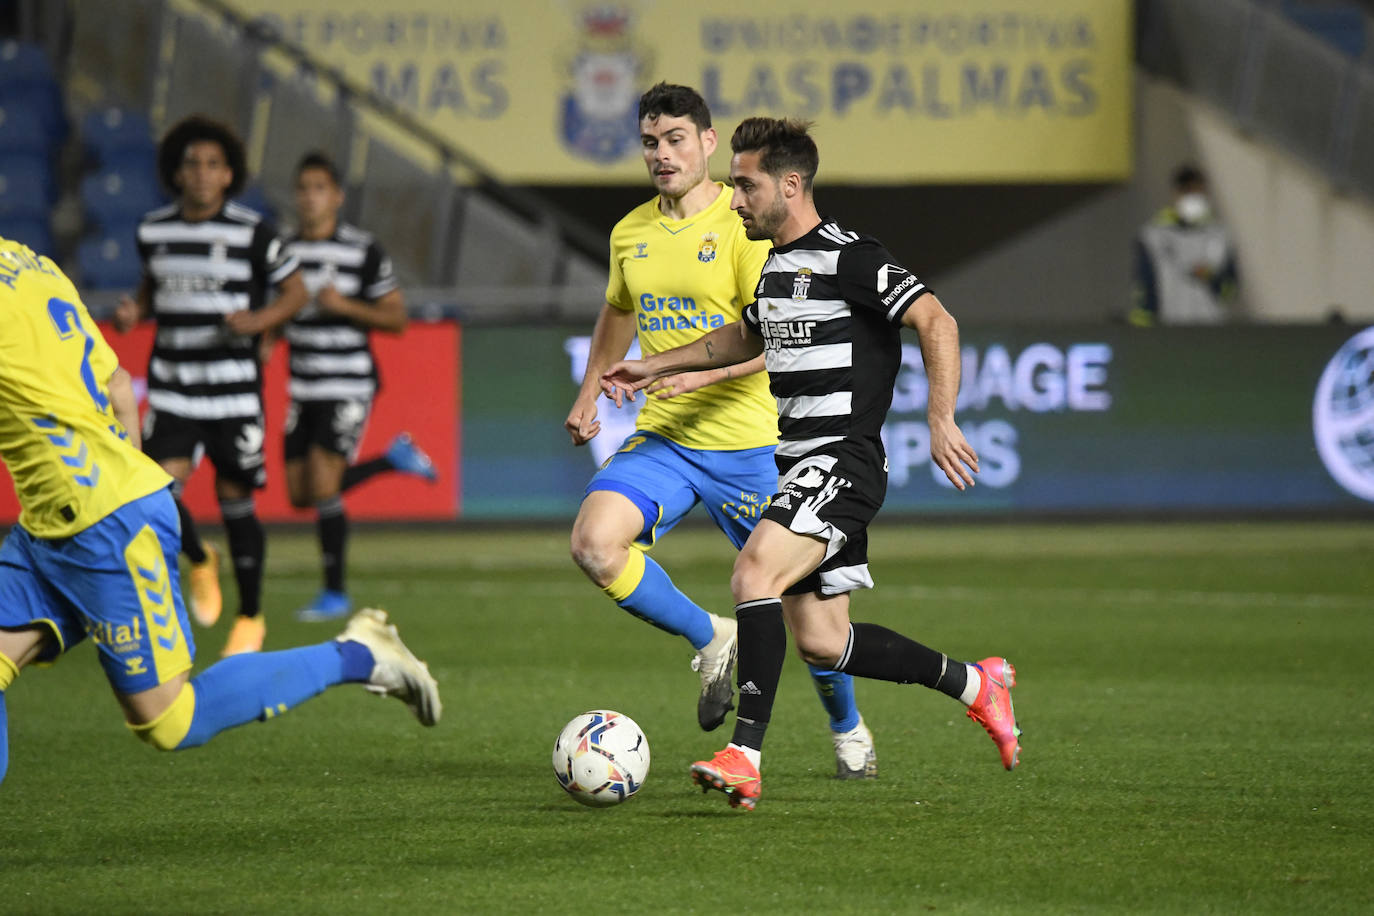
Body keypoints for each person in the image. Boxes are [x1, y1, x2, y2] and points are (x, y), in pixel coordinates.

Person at [602, 117, 1021, 811]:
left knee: (752, 572)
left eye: (746, 184)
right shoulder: (775, 267)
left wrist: (941, 417)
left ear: (790, 185)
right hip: (798, 461)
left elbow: (936, 320)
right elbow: (741, 336)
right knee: (825, 643)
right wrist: (654, 364)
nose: (734, 199)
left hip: (843, 460)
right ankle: (978, 685)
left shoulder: (851, 257)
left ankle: (744, 756)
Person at [0, 234, 440, 789]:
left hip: (101, 520)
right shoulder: (29, 261)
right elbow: (116, 383)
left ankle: (356, 654)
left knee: (168, 719)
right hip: (58, 520)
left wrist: (122, 506)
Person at [565, 84, 877, 778]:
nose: (662, 154)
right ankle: (712, 636)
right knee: (593, 543)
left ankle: (847, 725)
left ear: (708, 143)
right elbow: (617, 312)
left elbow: (772, 342)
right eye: (650, 142)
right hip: (668, 439)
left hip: (754, 447)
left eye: (676, 138)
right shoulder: (631, 232)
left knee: (815, 627)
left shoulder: (746, 229)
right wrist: (592, 389)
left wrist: (698, 377)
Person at [113, 115, 309, 656]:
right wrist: (136, 310)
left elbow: (296, 291)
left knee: (234, 497)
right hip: (173, 386)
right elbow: (154, 287)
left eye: (214, 165)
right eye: (192, 164)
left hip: (232, 391)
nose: (202, 174)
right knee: (152, 487)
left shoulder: (252, 231)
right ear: (176, 173)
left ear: (229, 175)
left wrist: (262, 319)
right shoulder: (154, 230)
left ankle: (250, 618)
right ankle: (199, 558)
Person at [280, 151, 439, 622]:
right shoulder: (284, 252)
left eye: (319, 188)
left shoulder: (362, 250)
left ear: (337, 196)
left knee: (324, 484)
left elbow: (396, 317)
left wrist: (343, 305)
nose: (311, 197)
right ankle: (393, 459)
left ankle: (335, 593)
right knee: (299, 494)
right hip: (303, 384)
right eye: (303, 188)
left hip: (347, 382)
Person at [1131, 164, 1239, 326]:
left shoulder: (1219, 236)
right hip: (1169, 329)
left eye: (1198, 193)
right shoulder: (1153, 237)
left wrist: (1212, 279)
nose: (1194, 198)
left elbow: (1229, 289)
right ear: (1175, 194)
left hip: (1210, 328)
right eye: (1187, 192)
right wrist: (1144, 326)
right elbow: (1145, 288)